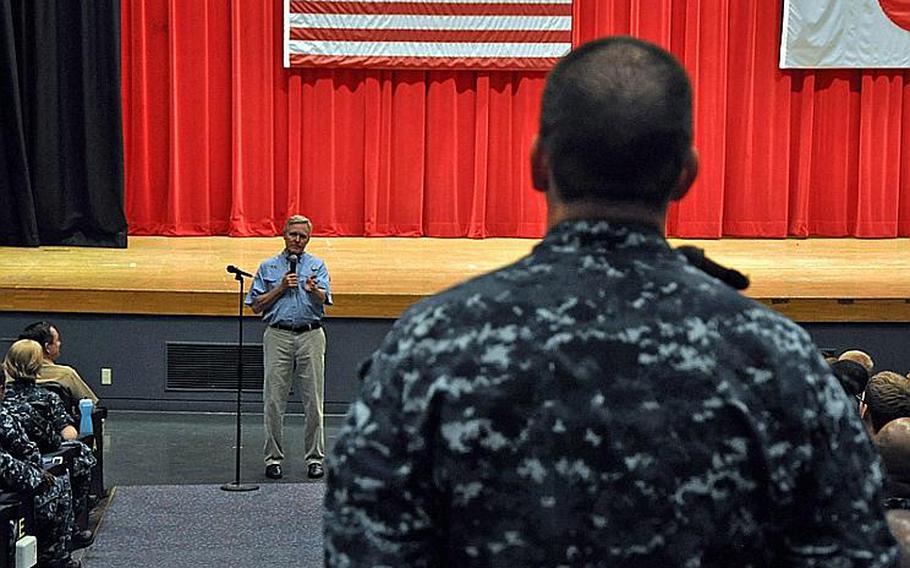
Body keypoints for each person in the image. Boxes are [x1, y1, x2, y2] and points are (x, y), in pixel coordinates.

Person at [324, 36, 898, 566]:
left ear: (537, 164)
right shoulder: (779, 359)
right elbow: (856, 553)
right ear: (687, 175)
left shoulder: (430, 346)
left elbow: (363, 550)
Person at [247, 215, 332, 480]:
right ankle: (273, 459)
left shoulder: (317, 266)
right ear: (284, 235)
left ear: (308, 239)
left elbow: (326, 299)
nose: (297, 240)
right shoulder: (268, 266)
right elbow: (255, 305)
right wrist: (281, 288)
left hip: (311, 335)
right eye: (293, 234)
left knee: (314, 402)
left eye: (302, 236)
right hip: (278, 336)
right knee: (273, 400)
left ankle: (315, 459)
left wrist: (314, 291)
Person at [3, 340, 97, 542]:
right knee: (81, 455)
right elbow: (65, 436)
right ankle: (72, 530)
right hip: (39, 464)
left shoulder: (4, 398)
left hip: (11, 467)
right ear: (38, 366)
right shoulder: (48, 398)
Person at [18, 321, 99, 405]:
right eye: (57, 340)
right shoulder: (65, 374)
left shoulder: (11, 373)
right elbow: (90, 405)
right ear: (47, 347)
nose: (59, 343)